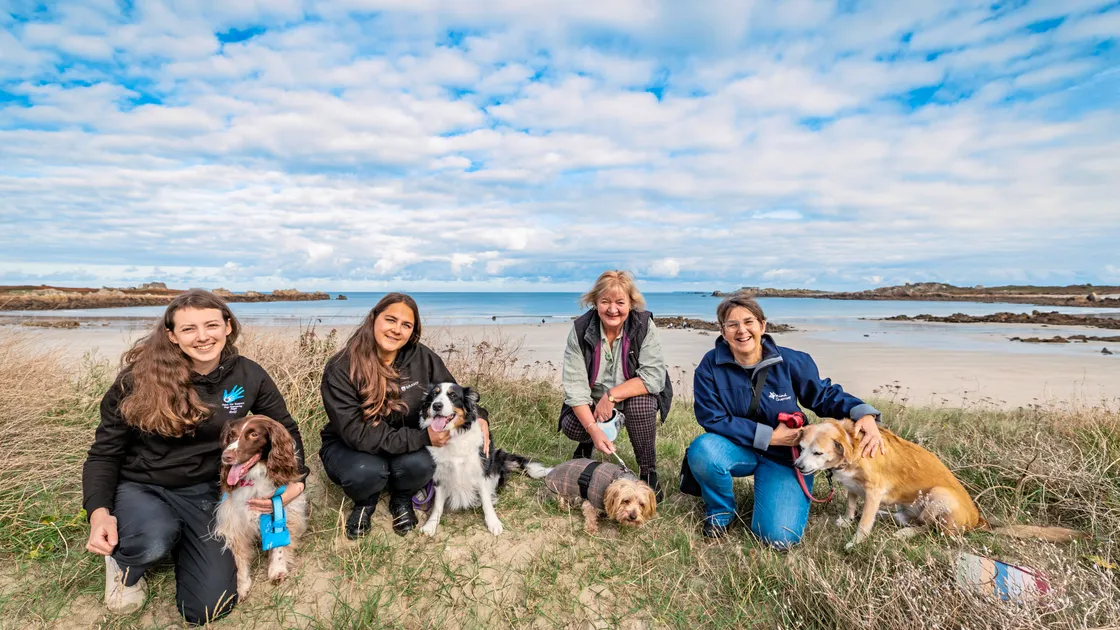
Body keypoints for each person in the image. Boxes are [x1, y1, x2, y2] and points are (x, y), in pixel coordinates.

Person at [82, 289, 308, 624]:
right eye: (189, 329)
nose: (203, 337)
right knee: (152, 538)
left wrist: (296, 485)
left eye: (211, 325)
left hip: (207, 492)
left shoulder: (248, 374)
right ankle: (125, 562)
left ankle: (178, 539)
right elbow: (104, 453)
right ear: (171, 336)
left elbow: (285, 430)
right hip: (143, 485)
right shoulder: (137, 380)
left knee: (207, 608)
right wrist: (99, 514)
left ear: (228, 327)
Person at [686, 292, 884, 547]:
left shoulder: (791, 361)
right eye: (732, 325)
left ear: (762, 325)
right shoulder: (709, 367)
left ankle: (771, 494)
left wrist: (862, 412)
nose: (741, 331)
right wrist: (768, 436)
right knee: (703, 450)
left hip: (786, 457)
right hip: (736, 448)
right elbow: (711, 418)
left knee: (779, 538)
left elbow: (823, 395)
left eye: (748, 322)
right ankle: (721, 510)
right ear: (723, 332)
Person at [319, 292, 489, 538]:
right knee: (366, 472)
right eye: (390, 320)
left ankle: (401, 498)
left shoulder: (421, 357)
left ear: (413, 331)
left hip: (408, 438)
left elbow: (453, 393)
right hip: (353, 445)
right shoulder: (342, 367)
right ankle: (366, 502)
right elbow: (357, 433)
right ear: (374, 318)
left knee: (422, 464)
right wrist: (423, 439)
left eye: (406, 325)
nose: (397, 330)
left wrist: (481, 415)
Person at [558, 270, 672, 499]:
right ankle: (587, 444)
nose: (612, 309)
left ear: (631, 303)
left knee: (642, 405)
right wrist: (593, 428)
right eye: (605, 302)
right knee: (573, 424)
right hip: (593, 404)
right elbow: (576, 390)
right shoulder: (580, 331)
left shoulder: (643, 325)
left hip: (631, 397)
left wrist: (610, 396)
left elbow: (653, 379)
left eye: (620, 302)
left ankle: (648, 471)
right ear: (594, 302)